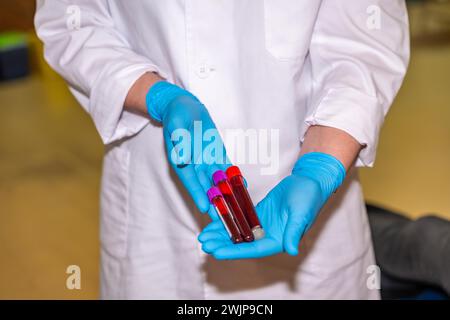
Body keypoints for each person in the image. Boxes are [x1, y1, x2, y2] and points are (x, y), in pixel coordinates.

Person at [35, 1, 409, 299]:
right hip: (155, 206)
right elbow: (71, 23)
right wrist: (157, 95)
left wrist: (319, 167)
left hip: (306, 189)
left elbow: (364, 47)